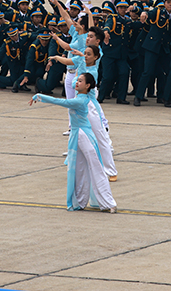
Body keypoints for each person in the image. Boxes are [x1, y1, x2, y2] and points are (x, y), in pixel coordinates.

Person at [31, 72, 117, 212]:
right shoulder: (80, 96)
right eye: (77, 80)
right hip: (76, 136)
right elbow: (71, 84)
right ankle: (80, 201)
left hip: (85, 135)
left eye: (80, 81)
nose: (77, 82)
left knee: (96, 167)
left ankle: (109, 202)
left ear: (88, 86)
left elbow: (61, 102)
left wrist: (40, 97)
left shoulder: (82, 100)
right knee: (80, 169)